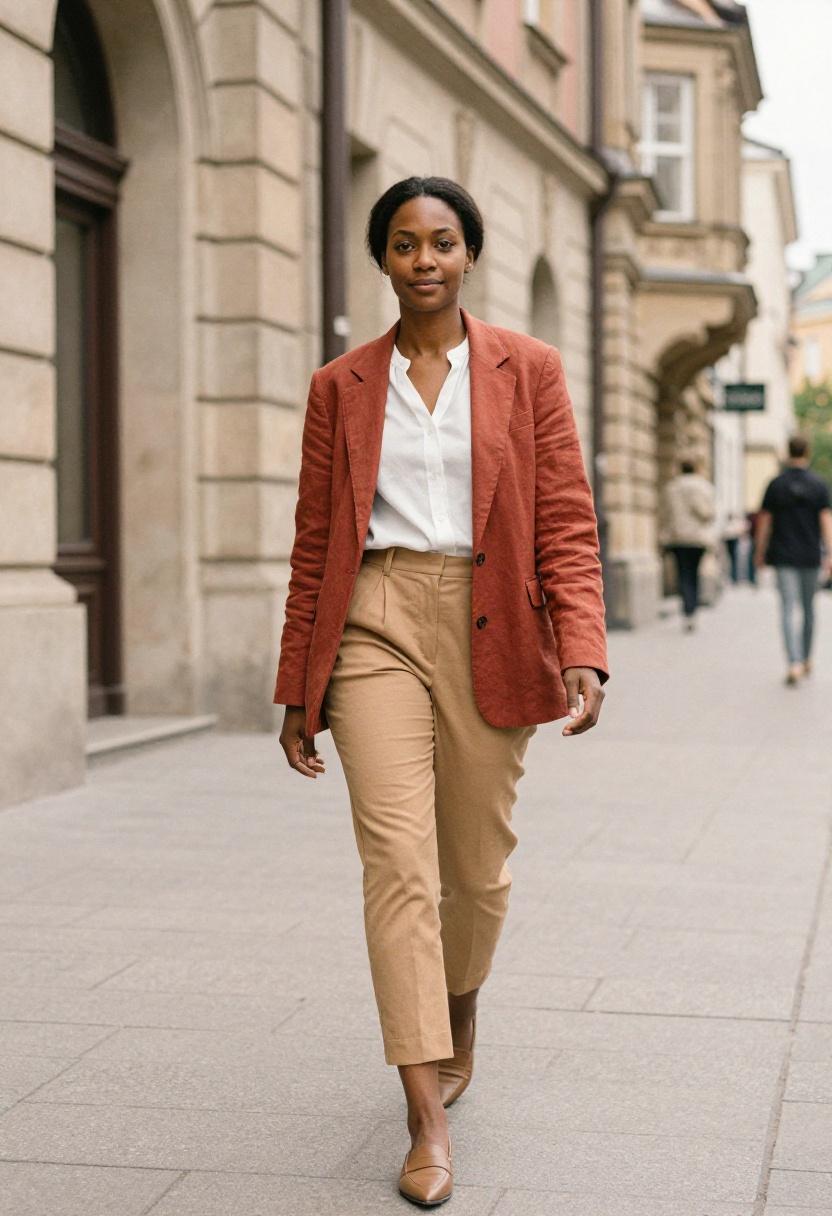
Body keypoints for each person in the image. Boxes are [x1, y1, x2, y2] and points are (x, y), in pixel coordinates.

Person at [274, 176, 609, 1207]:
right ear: (381, 258)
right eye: (405, 243)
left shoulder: (529, 370)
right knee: (397, 865)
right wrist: (299, 683)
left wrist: (583, 644)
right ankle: (424, 1112)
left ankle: (458, 1008)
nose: (424, 259)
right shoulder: (340, 384)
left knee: (477, 870)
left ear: (469, 255)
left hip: (492, 619)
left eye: (443, 241)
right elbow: (315, 541)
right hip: (373, 618)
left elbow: (563, 514)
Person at [754, 435, 832, 685]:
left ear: (788, 452)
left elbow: (764, 522)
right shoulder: (819, 485)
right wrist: (829, 553)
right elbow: (826, 522)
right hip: (810, 556)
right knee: (809, 610)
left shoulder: (775, 484)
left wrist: (759, 551)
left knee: (788, 609)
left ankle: (794, 662)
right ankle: (806, 658)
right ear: (807, 451)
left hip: (783, 555)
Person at [659, 459, 717, 631]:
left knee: (682, 574)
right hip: (697, 538)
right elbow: (707, 513)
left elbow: (665, 514)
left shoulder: (671, 488)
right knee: (694, 573)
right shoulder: (702, 486)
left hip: (676, 537)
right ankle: (692, 611)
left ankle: (686, 610)